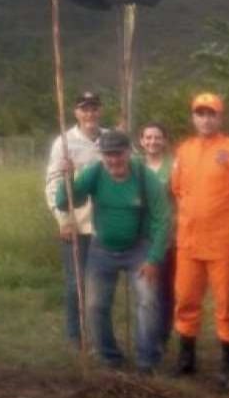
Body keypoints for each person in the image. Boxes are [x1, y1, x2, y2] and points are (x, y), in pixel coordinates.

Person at [55, 129, 171, 372]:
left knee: (148, 301)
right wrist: (66, 178)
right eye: (108, 154)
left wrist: (153, 258)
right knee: (95, 304)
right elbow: (66, 202)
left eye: (118, 154)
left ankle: (146, 360)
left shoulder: (144, 177)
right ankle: (110, 358)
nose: (113, 160)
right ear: (102, 155)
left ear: (128, 152)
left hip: (139, 249)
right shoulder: (95, 173)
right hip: (102, 250)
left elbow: (163, 219)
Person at [170, 94, 229, 388]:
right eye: (200, 114)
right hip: (189, 241)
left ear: (220, 117)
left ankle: (228, 365)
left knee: (227, 304)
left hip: (222, 243)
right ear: (193, 118)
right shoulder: (184, 150)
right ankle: (186, 359)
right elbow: (177, 188)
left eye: (211, 114)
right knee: (186, 300)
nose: (205, 119)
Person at [44, 90, 103, 347]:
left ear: (100, 110)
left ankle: (99, 335)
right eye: (84, 108)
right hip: (76, 224)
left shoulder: (111, 139)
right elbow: (53, 183)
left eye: (93, 108)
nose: (89, 113)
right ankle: (75, 338)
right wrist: (63, 219)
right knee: (75, 284)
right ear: (76, 112)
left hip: (104, 225)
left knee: (100, 285)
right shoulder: (65, 142)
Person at [138, 122, 175, 349]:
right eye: (148, 137)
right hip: (142, 238)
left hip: (168, 237)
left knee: (165, 290)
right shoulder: (135, 167)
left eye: (157, 137)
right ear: (141, 141)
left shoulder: (174, 167)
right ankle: (147, 336)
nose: (153, 142)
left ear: (164, 141)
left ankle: (162, 336)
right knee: (146, 291)